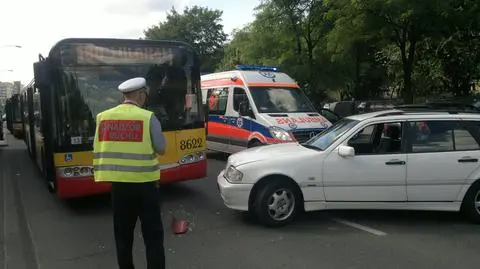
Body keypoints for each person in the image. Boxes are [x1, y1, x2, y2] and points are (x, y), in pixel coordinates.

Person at [92, 77, 166, 269]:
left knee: (123, 236)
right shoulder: (148, 117)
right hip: (146, 187)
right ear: (141, 95)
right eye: (145, 95)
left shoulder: (103, 117)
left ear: (123, 95)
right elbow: (161, 148)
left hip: (119, 188)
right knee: (153, 236)